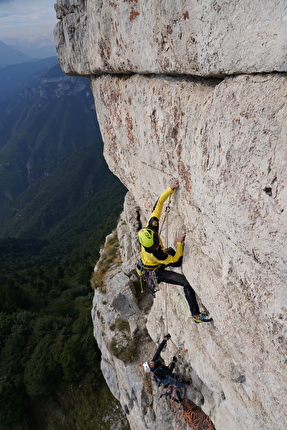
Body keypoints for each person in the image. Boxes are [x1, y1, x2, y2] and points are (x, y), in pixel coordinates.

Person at [137, 178, 212, 323]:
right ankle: (196, 316)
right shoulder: (155, 253)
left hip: (153, 264)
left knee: (171, 254)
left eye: (156, 245)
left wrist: (171, 189)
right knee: (185, 282)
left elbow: (158, 203)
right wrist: (179, 243)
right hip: (155, 271)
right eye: (154, 247)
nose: (157, 247)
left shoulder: (151, 226)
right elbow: (176, 260)